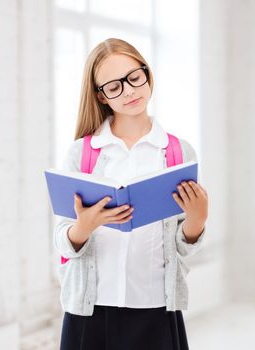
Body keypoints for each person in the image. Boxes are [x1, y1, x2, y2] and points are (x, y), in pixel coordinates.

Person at [54, 38, 208, 350]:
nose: (128, 91)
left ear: (146, 73)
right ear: (101, 96)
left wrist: (197, 219)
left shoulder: (177, 152)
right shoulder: (83, 154)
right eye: (114, 87)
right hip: (91, 309)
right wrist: (84, 226)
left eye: (133, 77)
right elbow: (62, 242)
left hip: (155, 306)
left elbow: (183, 246)